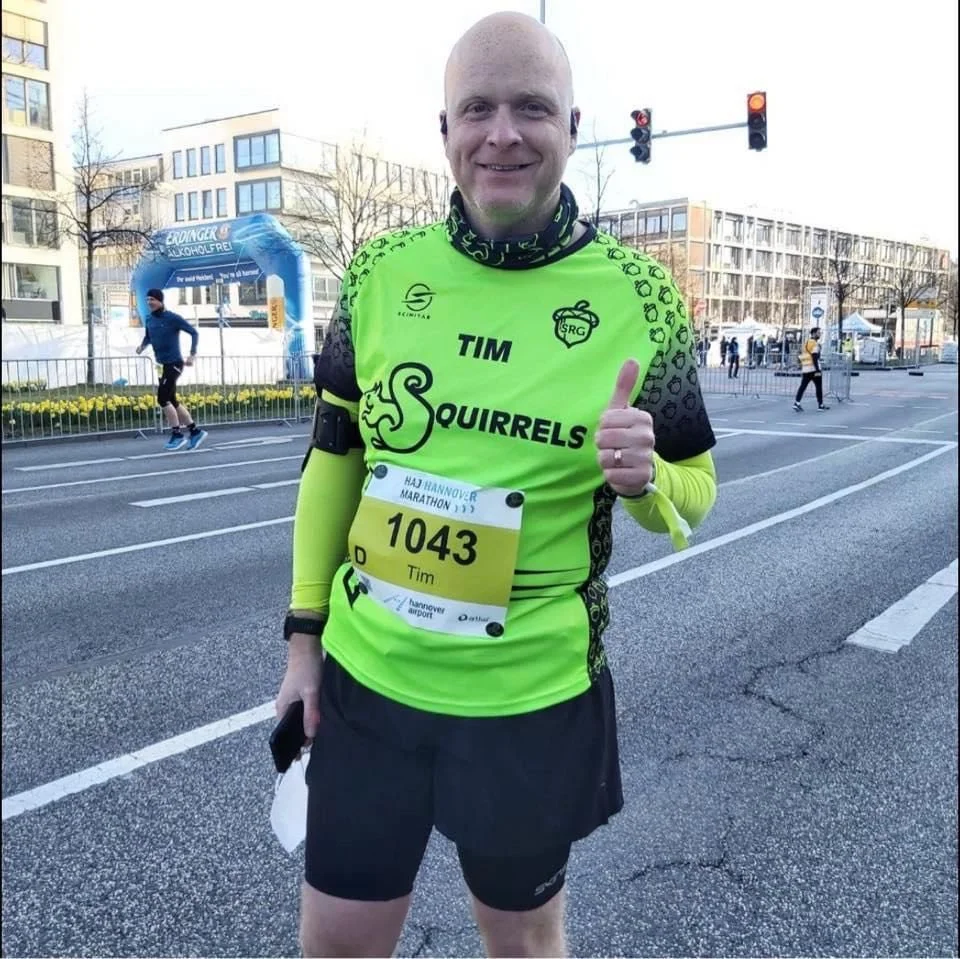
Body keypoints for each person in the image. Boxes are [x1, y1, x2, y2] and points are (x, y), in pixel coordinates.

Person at [276, 12, 718, 958]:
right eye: (477, 109)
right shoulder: (379, 272)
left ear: (573, 126)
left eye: (532, 109)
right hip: (369, 679)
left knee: (521, 943)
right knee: (336, 945)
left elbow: (697, 486)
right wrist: (303, 643)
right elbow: (335, 459)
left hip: (529, 696)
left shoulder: (641, 294)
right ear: (445, 129)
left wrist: (646, 481)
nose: (502, 134)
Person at [135, 288, 207, 451]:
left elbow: (194, 333)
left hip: (174, 363)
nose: (149, 302)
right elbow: (148, 336)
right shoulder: (149, 319)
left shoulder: (172, 318)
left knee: (162, 398)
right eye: (148, 300)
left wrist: (192, 354)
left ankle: (177, 434)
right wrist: (142, 345)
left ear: (160, 301)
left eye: (153, 299)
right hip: (161, 365)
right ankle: (195, 431)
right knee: (172, 400)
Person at [793, 325, 829, 411]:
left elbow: (803, 354)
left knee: (803, 386)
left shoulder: (806, 342)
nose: (820, 334)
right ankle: (820, 405)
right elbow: (814, 356)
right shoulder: (814, 344)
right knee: (818, 387)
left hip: (806, 368)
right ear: (813, 333)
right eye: (818, 333)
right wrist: (817, 370)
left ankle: (797, 403)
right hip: (813, 368)